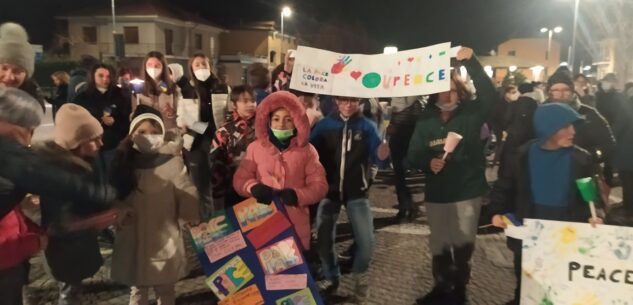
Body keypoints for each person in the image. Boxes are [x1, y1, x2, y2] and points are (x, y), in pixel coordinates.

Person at [0, 88, 115, 305]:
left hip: (76, 251)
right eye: (94, 139)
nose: (29, 138)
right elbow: (56, 220)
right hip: (63, 254)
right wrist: (99, 205)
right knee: (69, 293)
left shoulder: (86, 162)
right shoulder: (42, 166)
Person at [406, 47, 497, 305]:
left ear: (460, 91)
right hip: (437, 194)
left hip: (467, 192)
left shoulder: (471, 113)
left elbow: (490, 96)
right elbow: (412, 154)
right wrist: (428, 161)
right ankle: (442, 285)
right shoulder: (425, 120)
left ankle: (459, 290)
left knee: (462, 244)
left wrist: (472, 62)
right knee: (440, 244)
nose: (447, 94)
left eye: (452, 89)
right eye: (443, 88)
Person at [489, 103, 604, 305]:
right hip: (530, 230)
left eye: (573, 126)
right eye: (566, 126)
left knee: (561, 283)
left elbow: (592, 198)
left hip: (567, 231)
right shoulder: (520, 156)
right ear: (548, 128)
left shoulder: (581, 158)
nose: (573, 132)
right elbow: (503, 187)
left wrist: (597, 215)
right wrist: (496, 212)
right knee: (527, 281)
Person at [110, 109, 199, 305]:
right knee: (138, 287)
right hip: (135, 233)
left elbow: (185, 188)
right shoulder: (124, 162)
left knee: (165, 287)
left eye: (153, 131)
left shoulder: (172, 161)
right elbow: (112, 193)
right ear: (132, 134)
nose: (148, 136)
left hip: (164, 232)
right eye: (141, 131)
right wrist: (117, 212)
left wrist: (190, 213)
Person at [310, 93, 390, 303]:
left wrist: (383, 153)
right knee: (324, 238)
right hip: (329, 192)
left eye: (353, 100)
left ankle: (359, 276)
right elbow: (309, 154)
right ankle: (331, 276)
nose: (348, 104)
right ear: (336, 101)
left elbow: (379, 160)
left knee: (367, 242)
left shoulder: (368, 126)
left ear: (360, 102)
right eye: (343, 100)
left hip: (357, 193)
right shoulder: (324, 125)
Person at [35, 104, 112, 305]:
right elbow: (59, 223)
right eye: (94, 140)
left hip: (78, 245)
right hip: (65, 249)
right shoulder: (60, 173)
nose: (101, 144)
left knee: (74, 287)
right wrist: (96, 220)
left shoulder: (82, 163)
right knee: (69, 292)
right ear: (75, 142)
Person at [233, 91, 328, 249]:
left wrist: (298, 195)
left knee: (292, 271)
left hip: (295, 223)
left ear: (297, 122)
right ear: (267, 121)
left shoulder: (307, 151)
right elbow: (240, 180)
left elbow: (320, 185)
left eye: (288, 120)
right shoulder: (255, 148)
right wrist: (253, 187)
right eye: (276, 119)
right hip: (262, 220)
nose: (281, 124)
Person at [177, 53, 230, 217]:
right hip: (195, 142)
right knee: (201, 187)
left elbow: (229, 113)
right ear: (191, 69)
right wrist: (183, 124)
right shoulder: (186, 90)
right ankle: (206, 223)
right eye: (197, 65)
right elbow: (180, 117)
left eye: (204, 64)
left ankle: (222, 221)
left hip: (218, 143)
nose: (201, 67)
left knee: (220, 187)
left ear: (210, 66)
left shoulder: (222, 87)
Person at [546, 72, 616, 187]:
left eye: (566, 89)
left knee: (588, 203)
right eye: (556, 90)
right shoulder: (541, 113)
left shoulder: (588, 113)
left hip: (584, 177)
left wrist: (589, 157)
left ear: (572, 90)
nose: (561, 94)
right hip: (550, 174)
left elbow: (608, 144)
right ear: (549, 92)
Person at [73, 64, 131, 182]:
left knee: (112, 177)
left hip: (113, 145)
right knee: (94, 178)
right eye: (100, 76)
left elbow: (127, 120)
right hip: (90, 146)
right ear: (92, 77)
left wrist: (115, 122)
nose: (105, 79)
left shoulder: (121, 95)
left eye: (108, 76)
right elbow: (75, 121)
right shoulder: (82, 98)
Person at [209, 85, 257, 209]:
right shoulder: (224, 131)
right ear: (234, 104)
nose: (251, 104)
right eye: (245, 101)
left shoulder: (263, 126)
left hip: (259, 187)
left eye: (253, 100)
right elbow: (216, 164)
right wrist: (218, 194)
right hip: (233, 189)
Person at [389, 96, 425, 222]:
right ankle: (405, 206)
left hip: (409, 138)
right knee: (399, 174)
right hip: (398, 136)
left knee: (405, 173)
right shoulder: (399, 98)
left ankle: (409, 206)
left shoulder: (416, 103)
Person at [0, 22, 45, 111]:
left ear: (27, 75)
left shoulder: (33, 105)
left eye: (17, 71)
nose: (9, 77)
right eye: (4, 68)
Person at [134, 51, 178, 130]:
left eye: (157, 66)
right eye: (150, 65)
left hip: (168, 132)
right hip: (147, 133)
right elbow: (132, 114)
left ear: (163, 67)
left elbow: (180, 114)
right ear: (145, 66)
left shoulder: (173, 88)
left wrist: (172, 113)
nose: (153, 68)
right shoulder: (139, 88)